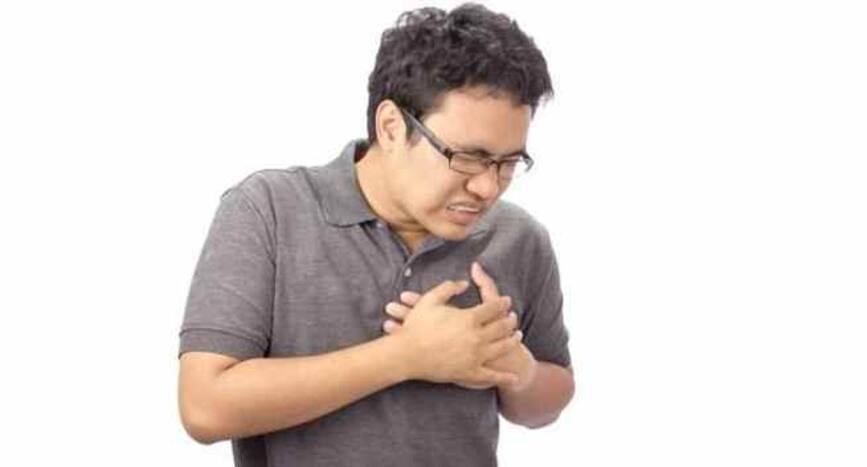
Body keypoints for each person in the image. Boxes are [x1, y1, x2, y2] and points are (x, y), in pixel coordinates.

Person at [177, 3, 575, 466]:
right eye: (468, 157)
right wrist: (405, 356)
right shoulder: (268, 210)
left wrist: (519, 372)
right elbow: (204, 407)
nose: (488, 187)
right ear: (391, 127)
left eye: (508, 162)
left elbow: (550, 398)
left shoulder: (520, 238)